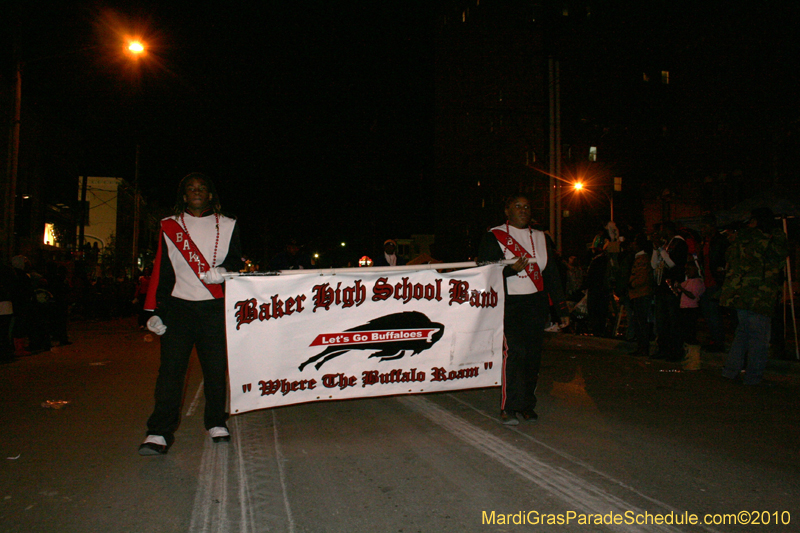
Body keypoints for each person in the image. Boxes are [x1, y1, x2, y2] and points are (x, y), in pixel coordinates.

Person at [139, 173, 243, 455]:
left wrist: (223, 271)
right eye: (190, 189)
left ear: (210, 195)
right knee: (170, 371)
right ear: (184, 196)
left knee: (215, 369)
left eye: (202, 188)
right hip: (178, 308)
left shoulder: (229, 224)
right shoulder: (169, 226)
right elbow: (161, 270)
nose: (196, 192)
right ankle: (159, 431)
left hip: (214, 307)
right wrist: (153, 312)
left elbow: (236, 260)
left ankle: (215, 422)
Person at [477, 193, 569, 426]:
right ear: (507, 211)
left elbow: (552, 276)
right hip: (508, 305)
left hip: (535, 305)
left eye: (527, 206)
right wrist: (507, 270)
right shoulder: (494, 236)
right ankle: (509, 406)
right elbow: (484, 271)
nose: (523, 209)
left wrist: (561, 309)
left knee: (532, 357)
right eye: (517, 206)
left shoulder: (541, 238)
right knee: (515, 352)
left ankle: (527, 405)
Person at [719, 208, 788, 385]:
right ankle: (753, 376)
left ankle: (730, 370)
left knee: (742, 334)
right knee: (760, 339)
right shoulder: (765, 240)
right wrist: (777, 231)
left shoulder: (740, 240)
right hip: (759, 295)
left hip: (739, 294)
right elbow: (780, 254)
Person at [651, 221, 688, 361]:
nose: (660, 233)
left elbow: (672, 264)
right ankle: (663, 349)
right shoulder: (666, 244)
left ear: (668, 230)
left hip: (672, 288)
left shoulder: (678, 243)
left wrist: (660, 249)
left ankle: (674, 351)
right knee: (662, 322)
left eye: (662, 230)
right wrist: (656, 249)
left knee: (673, 321)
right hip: (661, 288)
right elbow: (654, 265)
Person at [697, 215, 728, 352]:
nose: (702, 230)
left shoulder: (720, 241)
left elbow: (721, 259)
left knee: (713, 312)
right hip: (707, 281)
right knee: (708, 312)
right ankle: (715, 339)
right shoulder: (706, 242)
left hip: (715, 281)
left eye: (704, 227)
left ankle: (718, 342)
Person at [628, 233, 654, 356]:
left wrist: (631, 284)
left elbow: (641, 278)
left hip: (641, 294)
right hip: (638, 293)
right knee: (639, 322)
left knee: (641, 322)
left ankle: (643, 347)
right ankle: (641, 347)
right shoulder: (639, 258)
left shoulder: (642, 259)